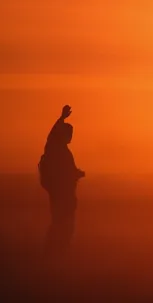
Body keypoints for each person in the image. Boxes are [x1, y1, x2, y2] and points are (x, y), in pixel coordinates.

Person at [38, 105, 85, 257]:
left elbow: (67, 171)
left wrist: (76, 174)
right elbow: (51, 136)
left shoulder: (61, 150)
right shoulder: (55, 147)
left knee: (64, 222)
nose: (71, 135)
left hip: (65, 193)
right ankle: (54, 251)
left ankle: (58, 250)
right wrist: (61, 118)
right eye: (69, 133)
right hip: (61, 193)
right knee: (61, 222)